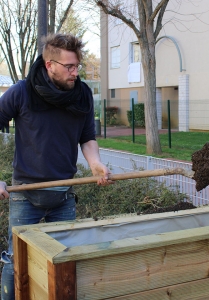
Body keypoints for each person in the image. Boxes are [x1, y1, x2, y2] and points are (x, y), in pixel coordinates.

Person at [0, 33, 112, 300]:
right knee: (16, 260)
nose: (75, 72)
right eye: (69, 67)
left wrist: (95, 163)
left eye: (77, 66)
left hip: (64, 195)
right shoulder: (22, 91)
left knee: (64, 260)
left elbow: (87, 137)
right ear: (50, 65)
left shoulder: (82, 94)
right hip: (26, 194)